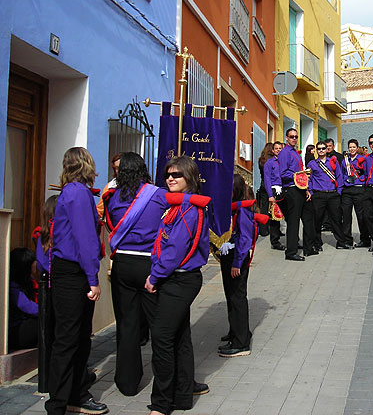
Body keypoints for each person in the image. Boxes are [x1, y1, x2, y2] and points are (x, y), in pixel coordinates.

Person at [102, 152, 174, 396]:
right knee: (159, 325)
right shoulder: (157, 195)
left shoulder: (111, 198)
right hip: (148, 263)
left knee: (127, 323)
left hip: (122, 262)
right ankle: (166, 380)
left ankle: (127, 382)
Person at [145, 156, 211, 415]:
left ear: (190, 178)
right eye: (168, 175)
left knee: (161, 338)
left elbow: (174, 250)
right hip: (175, 277)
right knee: (180, 336)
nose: (170, 179)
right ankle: (183, 396)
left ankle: (161, 404)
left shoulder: (188, 209)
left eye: (176, 175)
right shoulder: (178, 206)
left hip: (180, 279)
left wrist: (154, 276)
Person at [45, 147, 108, 415]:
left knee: (76, 337)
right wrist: (92, 278)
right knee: (72, 339)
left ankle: (72, 395)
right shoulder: (79, 194)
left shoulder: (68, 193)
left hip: (65, 271)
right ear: (87, 166)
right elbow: (85, 239)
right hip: (74, 273)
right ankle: (60, 402)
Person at [217, 175, 263, 358]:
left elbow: (245, 238)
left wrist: (237, 263)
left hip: (237, 257)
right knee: (230, 295)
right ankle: (235, 330)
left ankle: (241, 342)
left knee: (237, 297)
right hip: (229, 255)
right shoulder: (234, 208)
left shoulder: (243, 210)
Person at [278, 128, 315, 261]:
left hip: (301, 189)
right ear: (286, 138)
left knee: (308, 217)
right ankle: (291, 252)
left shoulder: (296, 153)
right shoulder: (284, 153)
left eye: (296, 137)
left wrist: (306, 189)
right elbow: (283, 173)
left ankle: (308, 248)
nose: (294, 139)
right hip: (292, 190)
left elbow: (301, 174)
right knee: (293, 222)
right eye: (291, 137)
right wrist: (297, 175)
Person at [308, 141, 351, 250]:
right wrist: (311, 192)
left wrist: (339, 191)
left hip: (333, 195)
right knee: (317, 220)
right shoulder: (312, 164)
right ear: (316, 151)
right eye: (319, 149)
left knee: (336, 219)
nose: (321, 150)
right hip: (318, 195)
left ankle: (341, 242)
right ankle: (317, 243)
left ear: (327, 150)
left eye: (323, 148)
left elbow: (339, 176)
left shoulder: (333, 161)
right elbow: (309, 180)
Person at [341, 139, 371, 248]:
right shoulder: (345, 160)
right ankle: (347, 240)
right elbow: (342, 173)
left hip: (359, 190)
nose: (352, 149)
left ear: (357, 148)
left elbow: (367, 173)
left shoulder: (362, 159)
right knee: (346, 216)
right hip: (347, 191)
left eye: (354, 147)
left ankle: (365, 239)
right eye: (350, 147)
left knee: (361, 216)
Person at [8, 247, 39, 351]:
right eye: (33, 261)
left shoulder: (28, 281)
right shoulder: (13, 286)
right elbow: (26, 306)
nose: (36, 263)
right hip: (15, 332)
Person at [258, 142, 285, 250]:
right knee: (275, 218)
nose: (278, 150)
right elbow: (267, 180)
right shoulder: (269, 163)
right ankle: (275, 242)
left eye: (280, 148)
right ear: (273, 151)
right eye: (276, 148)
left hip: (285, 190)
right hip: (274, 191)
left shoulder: (285, 162)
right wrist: (270, 195)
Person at [96, 152, 121, 218]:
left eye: (118, 168)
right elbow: (100, 210)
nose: (117, 171)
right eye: (115, 168)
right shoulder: (111, 186)